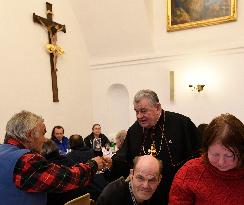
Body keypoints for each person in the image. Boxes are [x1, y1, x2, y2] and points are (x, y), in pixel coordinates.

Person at [112, 89, 201, 205]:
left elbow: (198, 156)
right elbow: (124, 158)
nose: (139, 116)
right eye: (136, 111)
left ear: (157, 107)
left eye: (143, 111)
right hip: (145, 195)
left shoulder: (181, 123)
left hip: (175, 192)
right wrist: (111, 163)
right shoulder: (134, 130)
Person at [0, 110, 107, 205]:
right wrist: (93, 164)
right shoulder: (26, 160)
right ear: (30, 135)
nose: (45, 140)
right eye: (43, 134)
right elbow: (66, 178)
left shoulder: (3, 151)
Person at [169, 113, 244, 205]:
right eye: (215, 154)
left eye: (228, 156)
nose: (221, 162)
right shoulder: (190, 172)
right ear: (206, 149)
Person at [96, 155, 162, 205]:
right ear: (131, 174)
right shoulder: (112, 196)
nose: (145, 186)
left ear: (159, 180)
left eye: (151, 180)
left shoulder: (157, 195)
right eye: (140, 178)